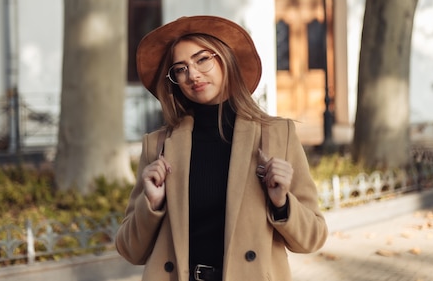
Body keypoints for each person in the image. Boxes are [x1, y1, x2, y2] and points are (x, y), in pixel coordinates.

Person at [115, 15, 328, 281]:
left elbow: (312, 238)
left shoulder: (276, 135)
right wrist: (153, 204)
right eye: (180, 69)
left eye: (202, 59)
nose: (192, 74)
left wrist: (282, 204)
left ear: (226, 59)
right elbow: (129, 249)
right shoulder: (158, 146)